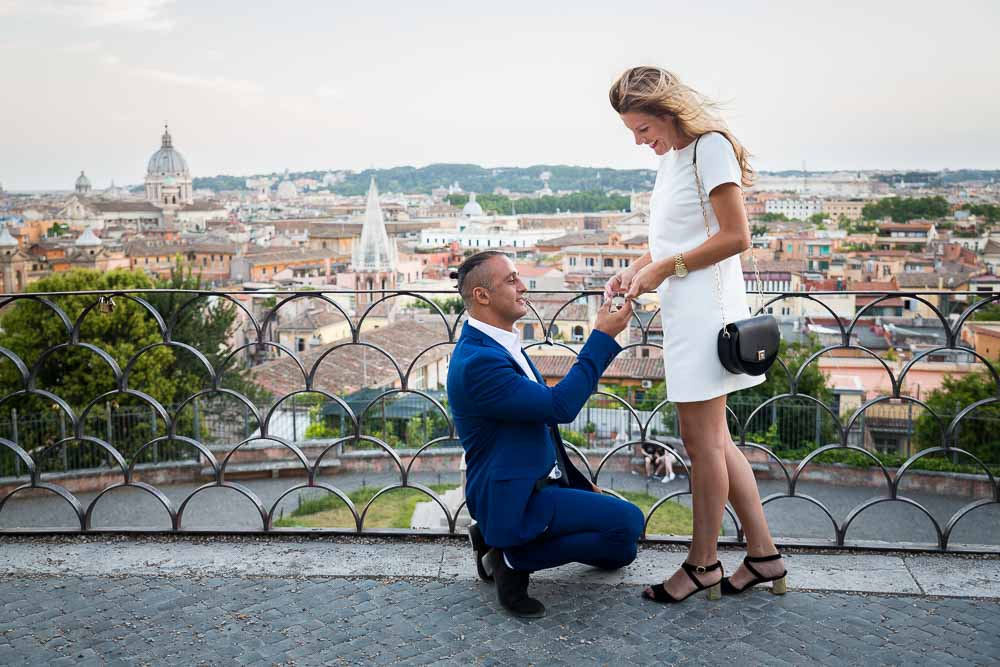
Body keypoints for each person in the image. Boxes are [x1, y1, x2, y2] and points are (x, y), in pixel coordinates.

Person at [605, 67, 787, 603]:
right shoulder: (675, 160)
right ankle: (763, 557)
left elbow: (736, 236)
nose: (641, 142)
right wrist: (635, 270)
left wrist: (663, 271)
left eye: (643, 128)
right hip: (685, 313)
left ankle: (703, 564)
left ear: (667, 111)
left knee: (701, 444)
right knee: (716, 442)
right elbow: (671, 241)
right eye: (633, 133)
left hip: (708, 318)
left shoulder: (710, 148)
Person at [448, 251, 645, 618]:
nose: (523, 286)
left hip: (540, 483)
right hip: (514, 499)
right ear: (482, 296)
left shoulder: (498, 343)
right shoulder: (479, 363)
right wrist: (600, 336)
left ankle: (500, 543)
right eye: (511, 280)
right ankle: (509, 556)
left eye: (519, 276)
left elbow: (541, 424)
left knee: (623, 551)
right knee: (629, 522)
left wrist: (577, 484)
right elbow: (559, 408)